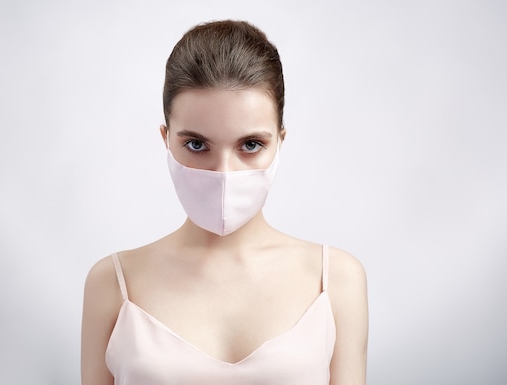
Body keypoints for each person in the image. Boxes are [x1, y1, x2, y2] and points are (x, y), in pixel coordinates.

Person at [81, 20, 368, 385]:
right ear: (166, 139)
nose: (224, 172)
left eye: (250, 145)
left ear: (280, 140)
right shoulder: (112, 284)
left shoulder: (336, 280)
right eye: (197, 144)